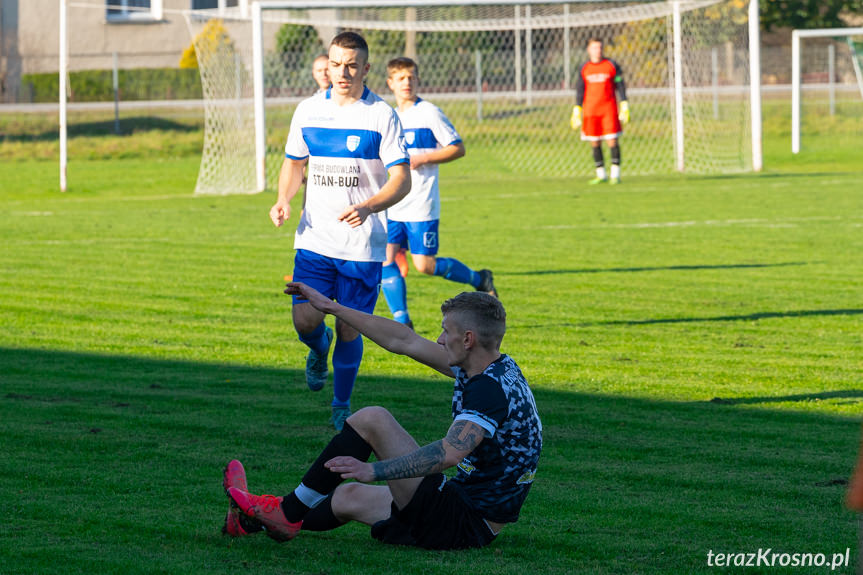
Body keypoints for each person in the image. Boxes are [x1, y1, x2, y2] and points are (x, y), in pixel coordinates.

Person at [222, 282, 542, 550]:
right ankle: (252, 522)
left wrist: (373, 470)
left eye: (446, 332)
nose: (440, 340)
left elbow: (449, 452)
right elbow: (403, 340)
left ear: (468, 339)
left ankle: (284, 512)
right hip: (464, 507)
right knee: (347, 496)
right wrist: (331, 307)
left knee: (373, 419)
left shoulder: (487, 390)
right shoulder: (492, 365)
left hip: (462, 522)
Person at [269, 32, 411, 431]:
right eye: (336, 63)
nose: (343, 72)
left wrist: (368, 207)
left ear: (365, 69)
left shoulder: (381, 115)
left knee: (350, 325)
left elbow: (402, 180)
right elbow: (295, 163)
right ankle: (317, 350)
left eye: (352, 65)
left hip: (362, 246)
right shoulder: (308, 111)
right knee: (305, 323)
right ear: (326, 66)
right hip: (314, 238)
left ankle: (341, 404)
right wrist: (284, 198)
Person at [381, 57, 498, 329]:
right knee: (384, 259)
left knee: (424, 265)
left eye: (411, 78)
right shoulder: (388, 116)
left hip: (421, 202)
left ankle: (478, 279)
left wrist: (424, 158)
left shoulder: (429, 113)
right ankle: (403, 321)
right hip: (393, 202)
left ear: (418, 80)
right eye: (400, 78)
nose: (406, 83)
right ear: (391, 83)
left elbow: (457, 147)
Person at [571, 38, 630, 185]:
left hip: (608, 109)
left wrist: (624, 103)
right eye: (595, 48)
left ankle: (615, 175)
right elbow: (580, 89)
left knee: (612, 140)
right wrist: (577, 109)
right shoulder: (584, 68)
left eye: (600, 47)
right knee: (594, 142)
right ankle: (601, 174)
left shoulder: (611, 65)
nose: (598, 50)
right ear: (588, 50)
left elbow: (620, 85)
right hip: (591, 110)